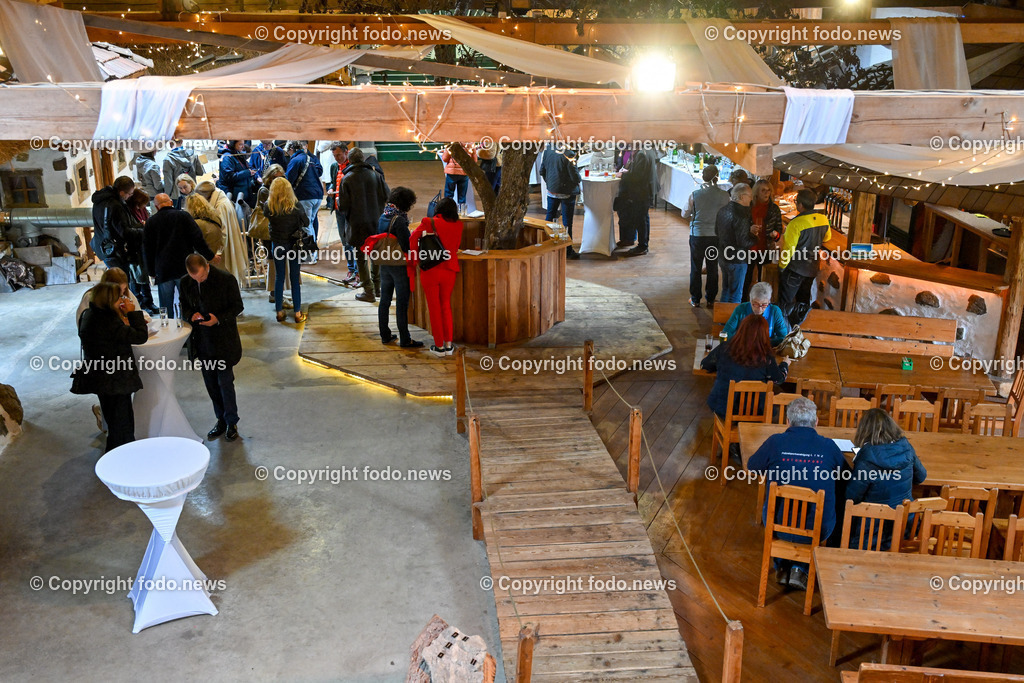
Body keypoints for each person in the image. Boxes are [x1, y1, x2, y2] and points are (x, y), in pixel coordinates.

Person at [747, 397, 850, 590]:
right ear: (816, 422)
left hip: (777, 525)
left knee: (776, 509)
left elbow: (753, 466)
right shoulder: (828, 446)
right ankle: (799, 568)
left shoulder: (775, 442)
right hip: (817, 530)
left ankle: (782, 565)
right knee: (832, 505)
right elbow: (846, 476)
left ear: (787, 421)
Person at [76, 282, 148, 452]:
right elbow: (140, 336)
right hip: (115, 379)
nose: (122, 301)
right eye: (118, 298)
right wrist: (132, 313)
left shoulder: (89, 314)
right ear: (109, 301)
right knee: (122, 425)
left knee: (113, 420)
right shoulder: (108, 322)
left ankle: (117, 455)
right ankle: (123, 458)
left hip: (99, 377)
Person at [179, 254, 244, 442]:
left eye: (201, 277)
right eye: (194, 279)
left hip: (223, 340)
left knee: (225, 383)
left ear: (206, 267)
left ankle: (232, 422)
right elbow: (183, 305)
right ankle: (221, 420)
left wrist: (218, 319)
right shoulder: (185, 283)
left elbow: (238, 306)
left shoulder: (225, 279)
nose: (198, 281)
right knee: (211, 384)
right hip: (202, 342)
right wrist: (191, 315)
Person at [700, 314, 789, 419]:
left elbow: (705, 365)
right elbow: (779, 379)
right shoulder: (766, 357)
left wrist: (721, 366)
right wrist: (785, 364)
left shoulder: (725, 348)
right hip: (754, 412)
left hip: (723, 408)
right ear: (764, 335)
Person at [409, 198, 463, 357]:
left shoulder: (428, 222)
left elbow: (413, 240)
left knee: (434, 308)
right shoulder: (459, 225)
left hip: (430, 270)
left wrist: (417, 259)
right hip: (450, 270)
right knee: (446, 306)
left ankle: (438, 346)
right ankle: (448, 345)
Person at [145, 193, 215, 310]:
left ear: (156, 207)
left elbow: (147, 249)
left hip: (163, 269)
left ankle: (168, 327)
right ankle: (190, 326)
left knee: (166, 306)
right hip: (184, 267)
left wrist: (151, 270)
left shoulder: (151, 222)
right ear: (171, 203)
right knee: (188, 303)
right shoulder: (183, 216)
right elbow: (197, 239)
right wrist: (210, 256)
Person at [848, 408, 928, 509]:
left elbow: (852, 497)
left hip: (873, 521)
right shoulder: (905, 447)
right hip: (904, 519)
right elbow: (921, 477)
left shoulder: (867, 457)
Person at [339, 147, 390, 302]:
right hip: (376, 220)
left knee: (360, 256)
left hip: (357, 223)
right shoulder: (376, 175)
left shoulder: (346, 178)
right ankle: (377, 287)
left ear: (351, 160)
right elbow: (387, 196)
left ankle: (368, 291)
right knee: (375, 253)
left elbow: (343, 206)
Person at [375, 187, 423, 348]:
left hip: (384, 263)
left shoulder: (383, 215)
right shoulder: (399, 220)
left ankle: (385, 335)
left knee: (385, 301)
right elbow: (406, 245)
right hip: (398, 265)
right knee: (402, 303)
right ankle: (405, 338)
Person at [779, 188, 831, 321]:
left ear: (800, 205)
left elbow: (788, 249)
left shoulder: (795, 224)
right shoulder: (823, 219)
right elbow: (827, 238)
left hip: (795, 268)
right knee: (804, 300)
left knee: (786, 301)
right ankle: (802, 327)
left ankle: (784, 330)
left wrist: (781, 266)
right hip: (812, 268)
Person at [261, 177, 308, 324]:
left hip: (278, 244)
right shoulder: (296, 205)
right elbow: (306, 221)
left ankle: (280, 312)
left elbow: (267, 217)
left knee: (279, 277)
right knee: (294, 278)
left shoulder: (269, 206)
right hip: (294, 244)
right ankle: (298, 313)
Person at [684, 165, 730, 308]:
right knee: (712, 267)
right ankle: (711, 298)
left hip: (697, 235)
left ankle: (695, 298)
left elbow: (684, 213)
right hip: (715, 236)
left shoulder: (695, 194)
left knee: (696, 267)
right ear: (716, 177)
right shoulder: (724, 196)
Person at [195, 180, 249, 285]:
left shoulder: (220, 206)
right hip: (227, 244)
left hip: (223, 248)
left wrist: (218, 253)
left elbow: (222, 231)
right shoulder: (222, 198)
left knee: (224, 278)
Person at [255, 164, 292, 308]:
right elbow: (273, 210)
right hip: (270, 233)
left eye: (282, 177)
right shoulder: (264, 190)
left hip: (277, 232)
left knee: (278, 263)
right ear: (270, 177)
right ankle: (275, 295)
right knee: (273, 263)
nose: (280, 180)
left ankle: (277, 294)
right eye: (277, 178)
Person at [744, 179, 783, 302]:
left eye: (768, 190)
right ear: (756, 192)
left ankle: (761, 303)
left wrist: (775, 234)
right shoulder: (748, 206)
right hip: (749, 247)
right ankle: (744, 302)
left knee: (763, 278)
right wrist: (749, 230)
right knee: (747, 277)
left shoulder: (774, 209)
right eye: (763, 190)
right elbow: (741, 227)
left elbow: (779, 229)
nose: (766, 193)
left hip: (765, 247)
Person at [716, 183, 755, 304]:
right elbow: (743, 241)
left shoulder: (723, 210)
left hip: (723, 255)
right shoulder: (742, 215)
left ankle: (722, 320)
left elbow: (717, 231)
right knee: (736, 295)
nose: (752, 198)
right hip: (737, 259)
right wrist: (755, 238)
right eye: (750, 196)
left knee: (726, 290)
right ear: (742, 197)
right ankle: (734, 321)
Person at [539, 147, 582, 259]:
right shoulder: (569, 153)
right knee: (567, 223)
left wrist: (550, 184)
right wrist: (579, 179)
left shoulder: (548, 150)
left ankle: (547, 246)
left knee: (549, 219)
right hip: (566, 192)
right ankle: (567, 250)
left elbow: (542, 171)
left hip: (551, 191)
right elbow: (575, 177)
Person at [326, 142, 358, 286]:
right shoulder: (334, 167)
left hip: (351, 210)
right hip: (339, 209)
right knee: (345, 242)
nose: (337, 158)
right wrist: (332, 189)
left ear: (346, 152)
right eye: (334, 156)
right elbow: (334, 182)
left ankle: (359, 272)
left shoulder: (354, 167)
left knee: (354, 241)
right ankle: (351, 269)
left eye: (339, 155)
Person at [722, 281, 790, 347]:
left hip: (765, 350)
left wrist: (763, 343)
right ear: (750, 300)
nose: (760, 309)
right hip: (743, 349)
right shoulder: (741, 309)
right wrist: (741, 342)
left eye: (764, 304)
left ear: (769, 301)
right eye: (756, 304)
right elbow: (726, 332)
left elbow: (783, 337)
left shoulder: (775, 311)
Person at [614, 150, 655, 257]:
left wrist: (623, 175)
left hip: (641, 192)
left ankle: (642, 246)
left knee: (641, 220)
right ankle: (638, 243)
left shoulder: (642, 154)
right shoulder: (641, 153)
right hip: (641, 192)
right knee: (641, 218)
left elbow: (638, 176)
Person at [285, 140, 324, 238]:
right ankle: (313, 248)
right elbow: (319, 172)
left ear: (291, 149)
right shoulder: (311, 158)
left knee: (306, 225)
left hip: (305, 195)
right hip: (318, 195)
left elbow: (288, 179)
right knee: (310, 222)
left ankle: (311, 251)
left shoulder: (295, 160)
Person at [163, 140, 205, 204]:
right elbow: (200, 172)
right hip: (192, 190)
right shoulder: (193, 154)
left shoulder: (168, 160)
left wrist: (166, 196)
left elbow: (169, 183)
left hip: (177, 195)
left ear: (169, 143)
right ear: (182, 141)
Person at [217, 140, 256, 207]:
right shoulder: (227, 157)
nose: (243, 146)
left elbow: (247, 166)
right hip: (233, 195)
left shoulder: (237, 155)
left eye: (243, 144)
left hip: (242, 193)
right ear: (233, 145)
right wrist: (247, 172)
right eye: (240, 144)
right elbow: (229, 176)